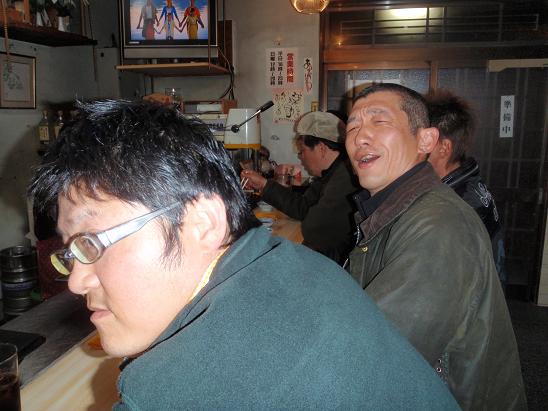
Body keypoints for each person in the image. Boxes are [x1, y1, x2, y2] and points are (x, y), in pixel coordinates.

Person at [28, 99, 460, 410]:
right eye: (72, 251)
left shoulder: (172, 390)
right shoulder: (296, 263)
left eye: (93, 241)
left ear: (202, 222)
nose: (76, 281)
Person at [345, 83, 526, 410]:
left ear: (426, 141)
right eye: (352, 126)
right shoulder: (393, 209)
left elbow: (372, 359)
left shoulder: (439, 226)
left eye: (379, 121)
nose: (360, 137)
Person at [242, 111, 360, 264]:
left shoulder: (345, 178)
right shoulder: (330, 173)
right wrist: (264, 184)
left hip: (340, 264)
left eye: (302, 150)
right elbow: (303, 207)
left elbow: (313, 228)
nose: (300, 157)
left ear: (321, 148)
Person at [427, 90, 507, 286]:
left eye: (424, 140)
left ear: (444, 148)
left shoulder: (458, 202)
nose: (416, 147)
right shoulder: (466, 183)